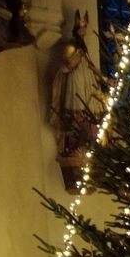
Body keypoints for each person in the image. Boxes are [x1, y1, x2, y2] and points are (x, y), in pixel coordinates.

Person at [49, 10, 104, 157]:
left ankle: (87, 146)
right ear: (76, 29)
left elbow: (91, 66)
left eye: (85, 28)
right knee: (76, 113)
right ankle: (74, 147)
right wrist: (75, 59)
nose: (83, 31)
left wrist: (102, 79)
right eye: (81, 28)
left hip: (87, 84)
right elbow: (67, 63)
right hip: (75, 83)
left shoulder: (83, 47)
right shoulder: (71, 45)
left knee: (89, 114)